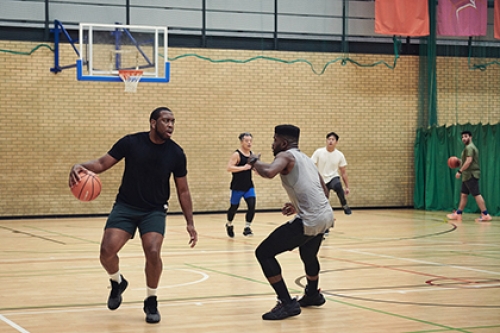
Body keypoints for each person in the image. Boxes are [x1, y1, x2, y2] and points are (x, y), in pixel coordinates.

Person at [68, 106, 198, 324]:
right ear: (153, 123)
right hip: (126, 206)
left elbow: (183, 190)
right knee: (106, 252)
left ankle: (151, 299)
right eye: (165, 121)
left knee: (153, 251)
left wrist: (190, 222)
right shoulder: (131, 142)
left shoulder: (176, 153)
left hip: (154, 209)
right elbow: (101, 164)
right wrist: (80, 165)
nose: (170, 125)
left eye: (173, 121)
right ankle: (117, 282)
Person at [249, 125, 334, 321]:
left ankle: (287, 303)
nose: (273, 144)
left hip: (310, 219)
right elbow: (325, 191)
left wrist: (255, 162)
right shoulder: (306, 159)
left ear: (284, 143)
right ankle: (312, 293)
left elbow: (269, 171)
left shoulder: (286, 156)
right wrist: (297, 206)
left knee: (264, 252)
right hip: (325, 216)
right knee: (308, 253)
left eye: (275, 140)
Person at [447, 130, 492, 222]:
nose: (464, 138)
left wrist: (459, 171)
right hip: (466, 175)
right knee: (464, 195)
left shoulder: (470, 148)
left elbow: (469, 161)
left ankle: (485, 214)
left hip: (471, 175)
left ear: (470, 137)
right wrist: (459, 162)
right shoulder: (468, 148)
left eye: (466, 136)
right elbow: (467, 161)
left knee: (476, 195)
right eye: (463, 137)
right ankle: (458, 213)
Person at [311, 132, 351, 216]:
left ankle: (344, 204)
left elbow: (343, 172)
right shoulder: (319, 152)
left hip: (333, 177)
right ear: (326, 141)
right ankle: (324, 215)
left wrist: (347, 187)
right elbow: (311, 165)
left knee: (337, 186)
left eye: (333, 139)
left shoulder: (340, 155)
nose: (330, 141)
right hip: (321, 179)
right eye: (329, 139)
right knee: (324, 199)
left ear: (336, 142)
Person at [226, 132, 256, 237]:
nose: (249, 143)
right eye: (246, 141)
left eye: (250, 141)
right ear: (241, 142)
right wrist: (243, 168)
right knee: (234, 207)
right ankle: (229, 224)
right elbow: (229, 168)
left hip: (249, 186)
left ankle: (247, 227)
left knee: (252, 205)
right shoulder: (237, 154)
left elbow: (254, 168)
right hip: (237, 186)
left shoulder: (252, 155)